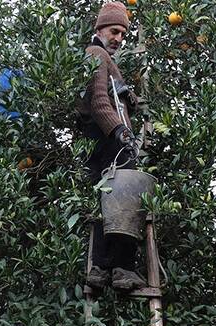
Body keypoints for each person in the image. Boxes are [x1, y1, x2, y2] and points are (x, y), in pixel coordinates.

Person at [76, 1, 146, 291]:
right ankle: (123, 268)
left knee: (105, 202)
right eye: (114, 30)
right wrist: (119, 131)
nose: (118, 38)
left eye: (123, 34)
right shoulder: (96, 53)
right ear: (100, 28)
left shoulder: (103, 56)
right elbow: (99, 100)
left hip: (100, 140)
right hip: (107, 140)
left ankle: (101, 268)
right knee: (124, 200)